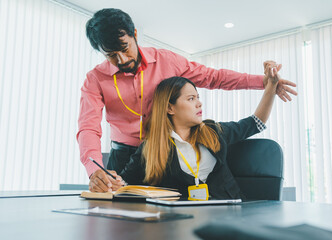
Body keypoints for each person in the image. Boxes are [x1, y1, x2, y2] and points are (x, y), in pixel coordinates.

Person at [79, 8, 297, 193]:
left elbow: (214, 77)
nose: (122, 60)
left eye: (124, 48)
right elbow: (88, 128)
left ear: (134, 34)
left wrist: (264, 82)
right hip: (126, 156)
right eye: (111, 55)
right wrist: (94, 169)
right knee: (119, 220)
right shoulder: (95, 79)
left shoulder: (167, 61)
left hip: (167, 150)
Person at [108, 64, 279, 199]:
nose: (199, 103)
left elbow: (256, 122)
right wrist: (110, 182)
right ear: (169, 108)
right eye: (191, 99)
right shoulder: (151, 148)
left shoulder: (213, 131)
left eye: (198, 97)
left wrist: (271, 86)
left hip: (231, 216)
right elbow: (123, 184)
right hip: (182, 225)